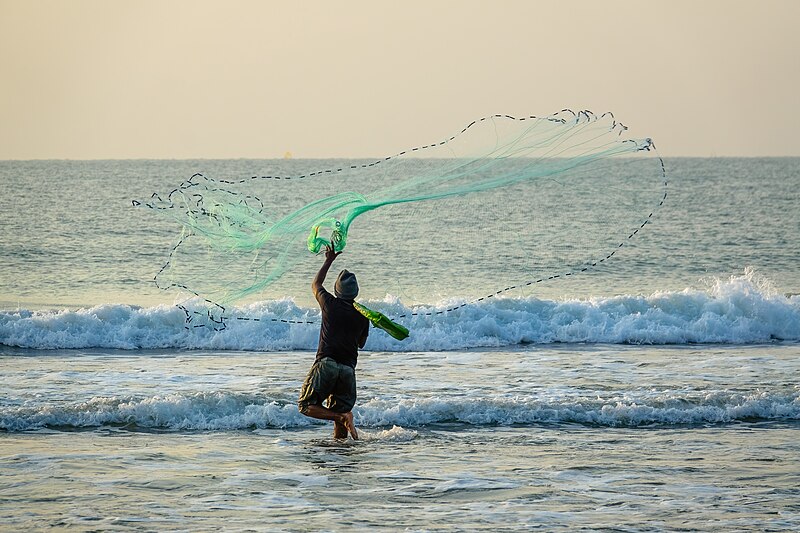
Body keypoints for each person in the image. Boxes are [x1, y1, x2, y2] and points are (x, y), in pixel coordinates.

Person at [297, 245, 369, 439]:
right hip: (347, 370)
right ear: (355, 293)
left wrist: (328, 260)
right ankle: (340, 457)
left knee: (305, 405)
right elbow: (361, 344)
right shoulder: (364, 316)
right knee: (341, 429)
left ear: (338, 290)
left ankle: (341, 417)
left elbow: (316, 284)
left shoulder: (330, 304)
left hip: (327, 364)